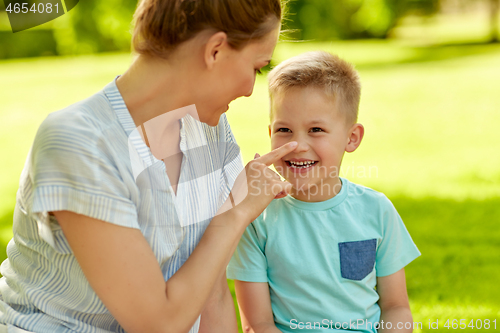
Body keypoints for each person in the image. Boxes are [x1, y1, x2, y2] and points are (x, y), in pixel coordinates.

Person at [0, 0, 298, 332]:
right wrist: (235, 212)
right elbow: (157, 324)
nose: (249, 90)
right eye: (257, 67)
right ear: (215, 50)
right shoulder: (78, 142)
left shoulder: (209, 127)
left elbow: (211, 295)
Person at [227, 51, 421, 333]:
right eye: (284, 130)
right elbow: (257, 325)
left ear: (351, 138)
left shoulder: (377, 210)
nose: (298, 145)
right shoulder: (257, 219)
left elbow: (396, 308)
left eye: (316, 129)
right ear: (269, 133)